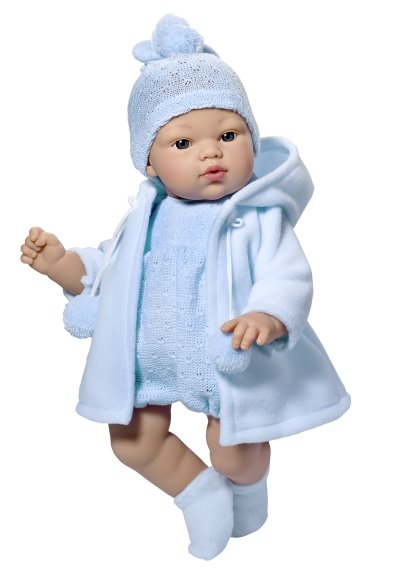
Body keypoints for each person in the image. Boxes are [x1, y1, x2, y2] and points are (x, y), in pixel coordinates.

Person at [20, 15, 350, 560]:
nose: (211, 152)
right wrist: (61, 265)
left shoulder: (257, 216)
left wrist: (267, 314)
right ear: (149, 162)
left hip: (226, 356)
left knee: (234, 451)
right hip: (151, 357)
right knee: (132, 442)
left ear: (252, 139)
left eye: (228, 135)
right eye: (183, 142)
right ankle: (200, 494)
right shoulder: (143, 219)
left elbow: (287, 274)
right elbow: (106, 270)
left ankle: (247, 489)